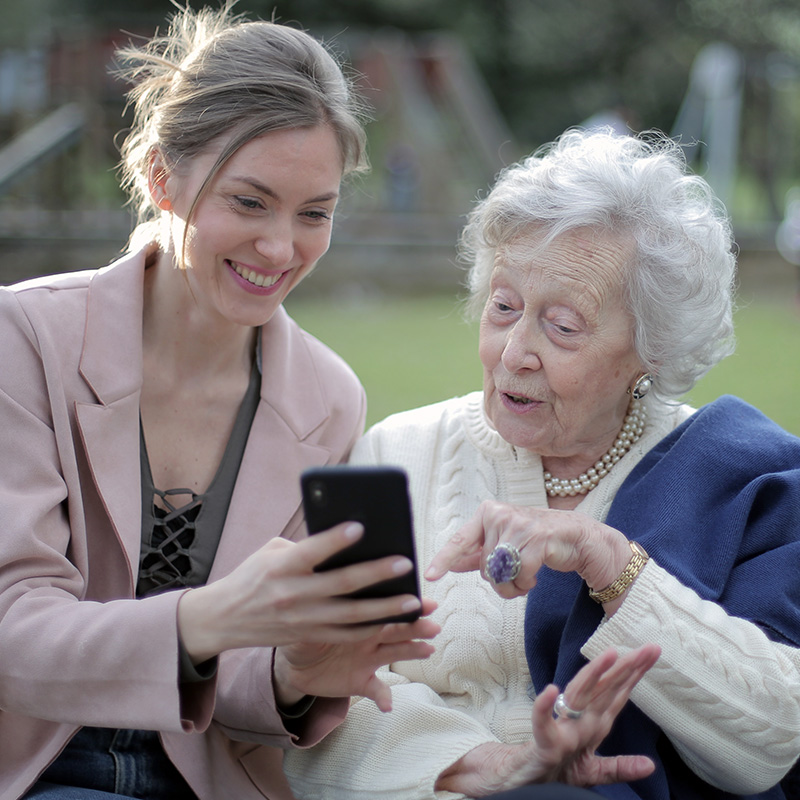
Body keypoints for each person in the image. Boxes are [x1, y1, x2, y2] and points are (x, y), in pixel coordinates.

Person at [0, 4, 444, 799]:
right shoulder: (22, 337)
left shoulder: (329, 398)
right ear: (161, 176)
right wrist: (209, 617)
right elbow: (14, 638)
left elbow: (243, 691)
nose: (281, 249)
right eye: (248, 202)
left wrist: (299, 670)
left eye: (315, 213)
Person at [283, 129, 800, 799]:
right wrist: (486, 766)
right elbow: (316, 701)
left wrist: (610, 564)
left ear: (654, 350)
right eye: (503, 308)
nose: (514, 352)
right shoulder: (398, 453)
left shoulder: (736, 474)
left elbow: (777, 737)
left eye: (562, 325)